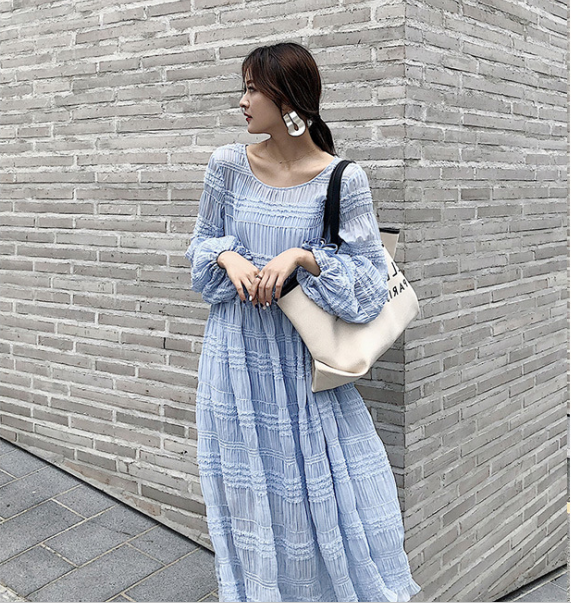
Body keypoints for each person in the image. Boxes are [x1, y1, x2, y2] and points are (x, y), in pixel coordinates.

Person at [185, 42, 422, 603]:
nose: (242, 102)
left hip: (303, 365)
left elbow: (368, 284)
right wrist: (228, 256)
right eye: (243, 89)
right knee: (250, 498)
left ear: (287, 99)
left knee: (330, 497)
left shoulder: (343, 179)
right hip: (235, 359)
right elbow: (199, 248)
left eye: (252, 90)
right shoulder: (227, 166)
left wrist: (302, 257)